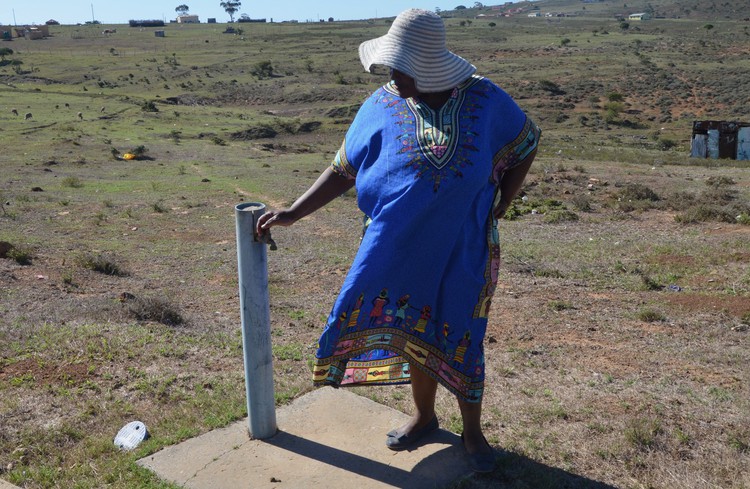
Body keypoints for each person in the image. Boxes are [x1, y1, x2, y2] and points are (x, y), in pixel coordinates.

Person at [257, 8, 540, 473]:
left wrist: (501, 203)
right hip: (395, 247)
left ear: (429, 67)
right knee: (413, 330)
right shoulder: (380, 105)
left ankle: (472, 432)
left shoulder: (486, 100)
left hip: (465, 248)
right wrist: (293, 212)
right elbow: (342, 169)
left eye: (401, 67)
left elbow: (526, 143)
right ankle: (424, 417)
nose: (391, 75)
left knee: (462, 333)